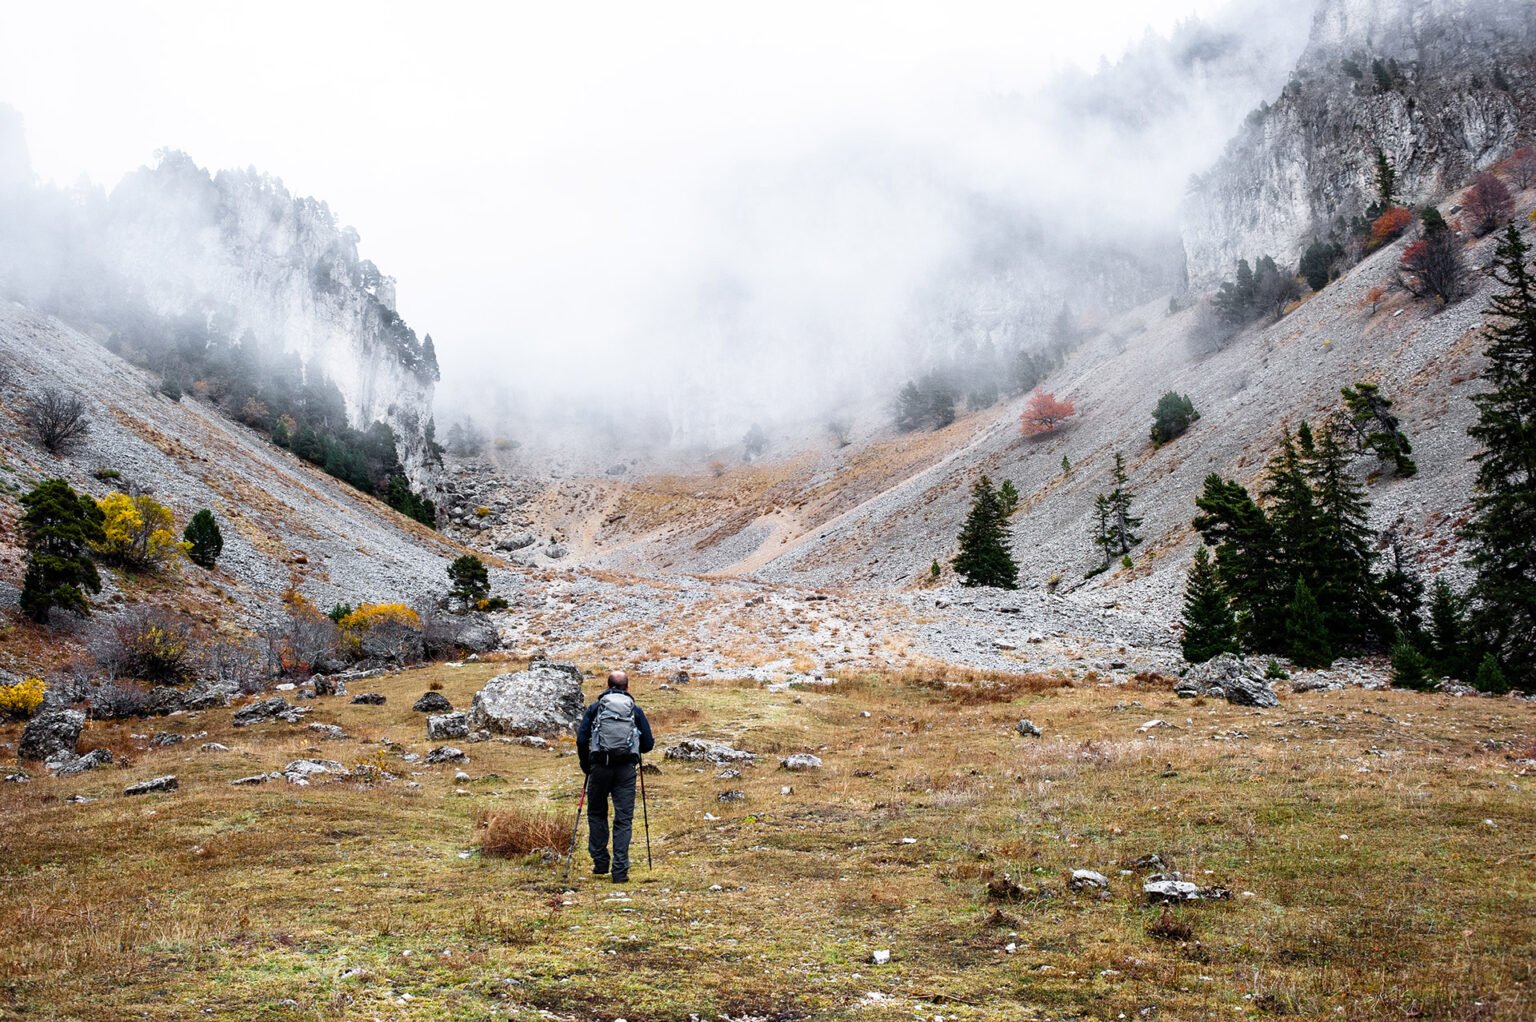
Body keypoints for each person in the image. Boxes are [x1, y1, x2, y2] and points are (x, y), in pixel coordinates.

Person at [576, 670, 655, 883]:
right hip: (625, 771)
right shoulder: (634, 709)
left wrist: (587, 765)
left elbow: (582, 738)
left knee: (596, 813)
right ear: (627, 687)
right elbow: (648, 744)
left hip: (599, 767)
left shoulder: (595, 708)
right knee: (623, 819)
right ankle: (620, 871)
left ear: (607, 685)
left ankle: (601, 863)